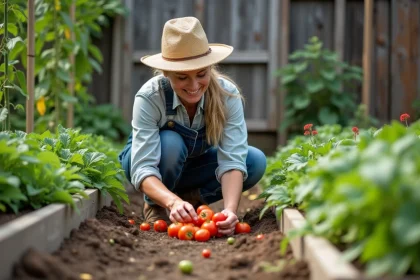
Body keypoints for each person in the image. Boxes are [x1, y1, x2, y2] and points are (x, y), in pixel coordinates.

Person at [118, 17, 266, 236]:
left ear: (210, 67)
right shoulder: (150, 97)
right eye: (182, 77)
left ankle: (188, 204)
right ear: (166, 74)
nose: (194, 86)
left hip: (191, 169)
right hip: (154, 164)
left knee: (254, 161)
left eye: (201, 74)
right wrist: (171, 201)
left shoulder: (227, 96)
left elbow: (233, 159)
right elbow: (142, 167)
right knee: (171, 143)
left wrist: (230, 211)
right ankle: (156, 204)